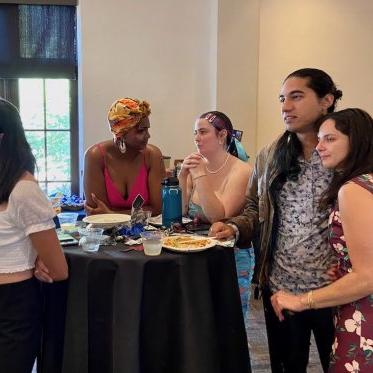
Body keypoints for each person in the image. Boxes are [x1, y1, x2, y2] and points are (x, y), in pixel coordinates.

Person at [210, 68, 343, 372]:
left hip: (337, 292)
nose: (285, 107)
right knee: (286, 367)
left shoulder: (346, 154)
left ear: (327, 100)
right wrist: (233, 226)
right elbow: (255, 209)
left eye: (297, 97)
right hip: (282, 289)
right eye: (282, 99)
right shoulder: (271, 154)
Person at [271, 108, 373, 372]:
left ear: (358, 140)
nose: (319, 147)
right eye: (319, 139)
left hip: (364, 313)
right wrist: (346, 266)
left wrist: (300, 300)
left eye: (330, 139)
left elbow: (368, 276)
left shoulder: (354, 189)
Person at [0, 98, 68, 372]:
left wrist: (42, 258)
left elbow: (56, 269)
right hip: (13, 303)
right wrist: (41, 258)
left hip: (13, 305)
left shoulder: (22, 190)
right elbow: (59, 269)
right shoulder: (23, 189)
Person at [178, 111, 254, 327]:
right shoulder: (196, 166)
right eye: (195, 133)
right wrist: (183, 176)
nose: (196, 138)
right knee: (199, 320)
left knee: (228, 320)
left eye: (203, 132)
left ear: (222, 136)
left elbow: (218, 216)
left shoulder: (242, 170)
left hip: (229, 255)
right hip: (196, 252)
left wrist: (200, 176)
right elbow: (182, 212)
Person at [84, 97, 165, 216]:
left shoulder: (153, 155)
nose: (148, 136)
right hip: (105, 233)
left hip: (148, 232)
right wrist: (138, 213)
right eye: (141, 131)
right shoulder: (95, 156)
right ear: (121, 132)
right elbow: (97, 213)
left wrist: (112, 214)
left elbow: (157, 209)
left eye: (147, 129)